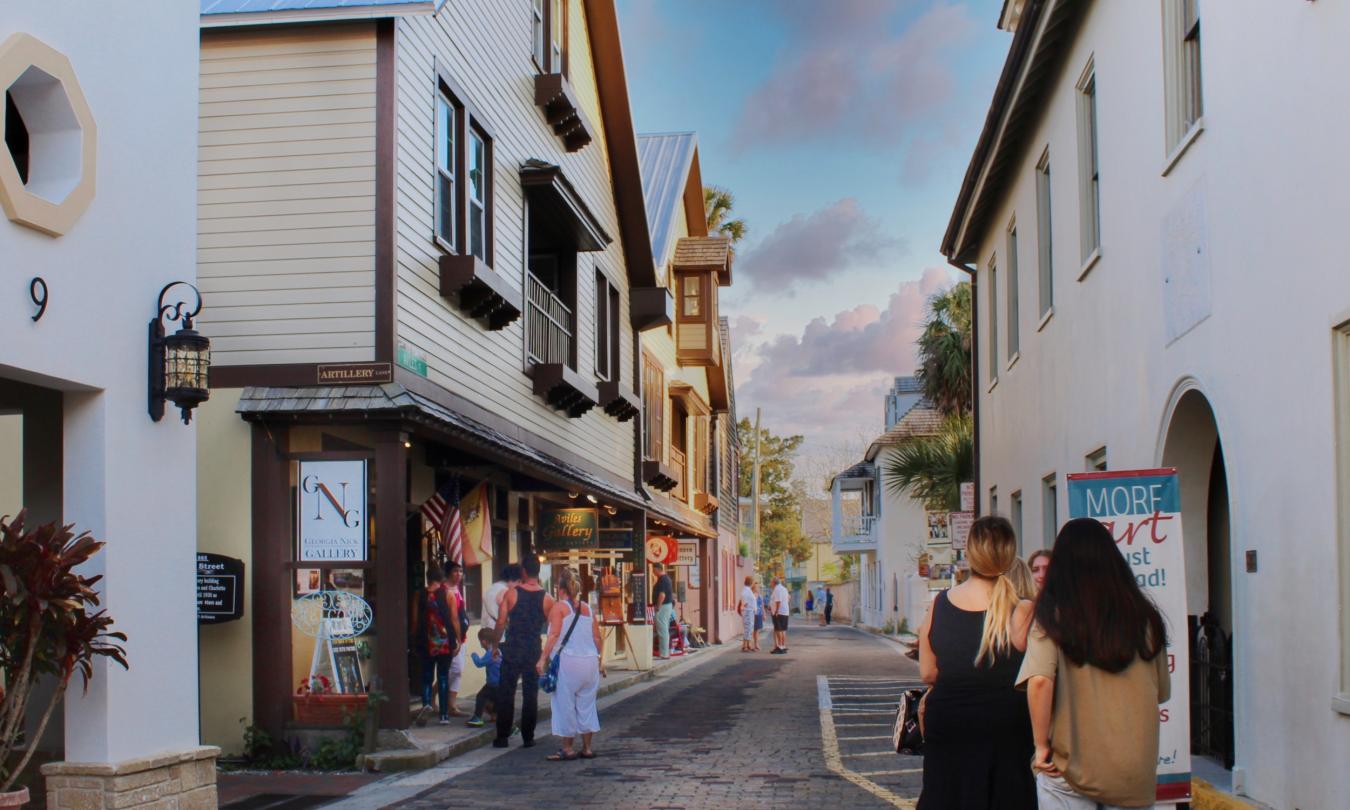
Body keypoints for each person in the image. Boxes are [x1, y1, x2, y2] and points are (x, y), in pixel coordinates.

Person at [1017, 518, 1171, 809]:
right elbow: (1161, 691)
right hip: (1131, 772)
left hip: (1069, 766)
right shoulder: (1146, 618)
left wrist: (1040, 747)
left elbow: (1039, 681)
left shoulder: (1052, 616)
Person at [916, 516, 1037, 810]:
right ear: (1009, 555)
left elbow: (928, 672)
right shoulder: (1024, 610)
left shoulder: (940, 604)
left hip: (949, 726)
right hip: (1006, 731)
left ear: (969, 552)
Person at [538, 567, 605, 761]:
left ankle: (567, 748)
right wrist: (600, 660)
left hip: (569, 661)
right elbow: (596, 637)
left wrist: (543, 658)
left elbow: (554, 635)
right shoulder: (587, 608)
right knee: (587, 704)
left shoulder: (559, 608)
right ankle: (587, 747)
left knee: (564, 704)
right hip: (590, 661)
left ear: (560, 588)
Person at [492, 555, 553, 748]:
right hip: (533, 649)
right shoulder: (547, 598)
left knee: (506, 693)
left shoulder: (511, 594)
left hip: (513, 648)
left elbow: (501, 622)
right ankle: (528, 737)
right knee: (530, 694)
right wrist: (546, 656)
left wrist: (495, 645)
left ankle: (502, 736)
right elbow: (552, 629)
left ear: (523, 572)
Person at [413, 567, 460, 726]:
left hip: (425, 641)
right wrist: (457, 640)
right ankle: (444, 715)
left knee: (426, 677)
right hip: (444, 642)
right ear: (441, 579)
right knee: (443, 677)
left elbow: (415, 620)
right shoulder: (448, 594)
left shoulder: (419, 595)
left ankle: (426, 705)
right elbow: (454, 619)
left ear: (428, 578)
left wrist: (414, 638)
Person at [443, 561, 469, 717]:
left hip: (462, 635)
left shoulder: (458, 589)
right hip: (451, 637)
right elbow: (452, 617)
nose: (459, 574)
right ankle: (436, 695)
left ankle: (451, 704)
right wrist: (457, 638)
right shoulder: (445, 590)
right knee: (453, 669)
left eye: (460, 571)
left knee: (457, 671)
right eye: (455, 571)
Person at [466, 628, 501, 728]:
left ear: (484, 642)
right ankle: (495, 715)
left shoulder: (491, 653)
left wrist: (474, 655)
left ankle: (477, 717)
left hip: (493, 682)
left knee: (481, 696)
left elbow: (479, 663)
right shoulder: (498, 650)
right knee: (496, 699)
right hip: (501, 682)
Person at [483, 563, 523, 633]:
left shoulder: (490, 588)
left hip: (487, 632)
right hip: (501, 635)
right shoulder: (506, 591)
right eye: (520, 582)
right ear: (517, 580)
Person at [652, 562, 676, 660]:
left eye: (654, 570)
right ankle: (665, 652)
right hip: (667, 605)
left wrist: (658, 606)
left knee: (662, 629)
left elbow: (662, 595)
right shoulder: (666, 579)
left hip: (663, 606)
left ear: (658, 569)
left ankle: (664, 653)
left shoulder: (663, 580)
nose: (653, 572)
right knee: (663, 629)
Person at [769, 576, 790, 655]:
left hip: (779, 612)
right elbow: (789, 598)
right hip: (785, 611)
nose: (770, 584)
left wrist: (776, 611)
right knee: (783, 630)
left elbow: (778, 601)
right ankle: (783, 646)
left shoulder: (777, 589)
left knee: (779, 630)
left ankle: (780, 647)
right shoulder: (784, 588)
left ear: (774, 582)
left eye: (771, 582)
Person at [736, 576, 756, 652]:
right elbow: (743, 597)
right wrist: (745, 604)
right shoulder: (746, 590)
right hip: (748, 611)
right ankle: (745, 646)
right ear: (751, 582)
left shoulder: (748, 590)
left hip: (749, 611)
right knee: (748, 628)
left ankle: (748, 644)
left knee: (749, 628)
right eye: (753, 582)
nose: (754, 584)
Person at [751, 582, 764, 651]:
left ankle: (756, 644)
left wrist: (764, 614)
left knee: (757, 630)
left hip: (759, 614)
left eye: (758, 587)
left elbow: (762, 605)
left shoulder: (760, 596)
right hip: (753, 614)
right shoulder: (751, 595)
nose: (758, 588)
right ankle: (754, 644)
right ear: (753, 588)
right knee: (753, 630)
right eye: (756, 587)